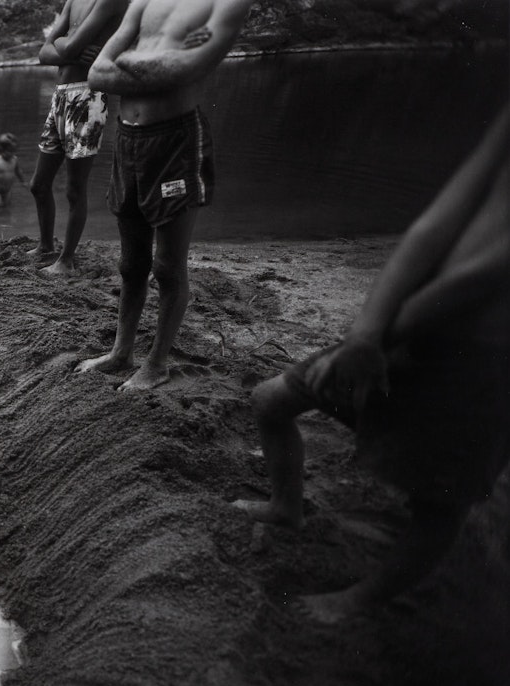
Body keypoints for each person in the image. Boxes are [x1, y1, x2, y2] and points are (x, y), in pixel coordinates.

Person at [231, 107, 510, 623]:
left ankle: (362, 600)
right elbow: (432, 228)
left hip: (485, 359)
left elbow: (489, 271)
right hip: (410, 321)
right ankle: (285, 506)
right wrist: (365, 333)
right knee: (272, 399)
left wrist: (379, 337)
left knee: (440, 500)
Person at [77, 0, 252, 390]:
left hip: (175, 142)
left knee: (168, 266)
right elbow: (95, 74)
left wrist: (126, 63)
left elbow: (187, 70)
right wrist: (161, 63)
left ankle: (156, 364)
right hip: (128, 140)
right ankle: (122, 352)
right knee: (130, 263)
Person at [28, 0, 128, 276]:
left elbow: (63, 47)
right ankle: (46, 245)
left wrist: (63, 46)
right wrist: (69, 52)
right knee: (38, 184)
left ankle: (66, 261)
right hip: (60, 96)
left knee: (74, 189)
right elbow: (43, 54)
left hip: (88, 96)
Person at [0, 133, 25, 208]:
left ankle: (5, 218)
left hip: (8, 190)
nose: (12, 154)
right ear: (1, 150)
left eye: (13, 151)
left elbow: (18, 171)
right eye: (9, 151)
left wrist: (23, 182)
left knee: (7, 206)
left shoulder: (14, 160)